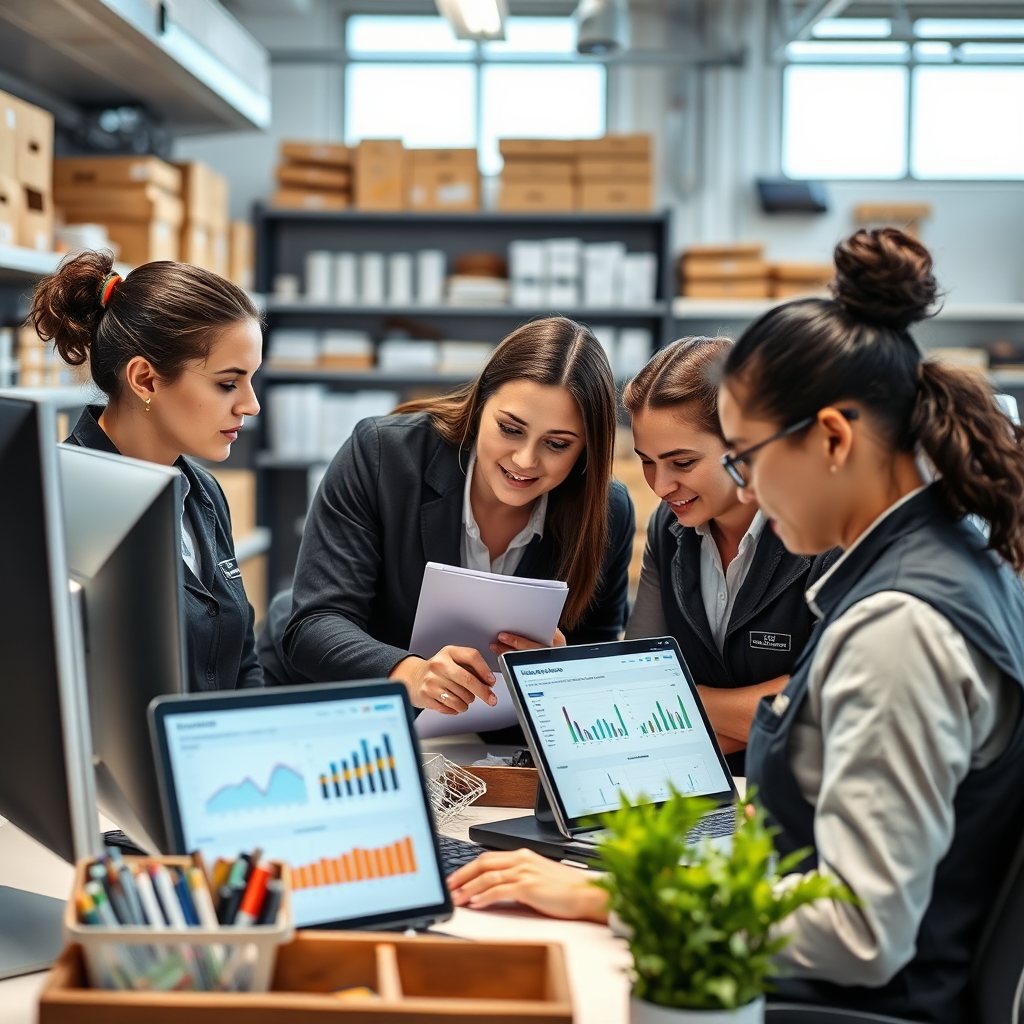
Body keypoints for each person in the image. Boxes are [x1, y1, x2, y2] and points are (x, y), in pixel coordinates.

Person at [447, 229, 1024, 1024]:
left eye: (744, 456)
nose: (741, 485)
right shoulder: (949, 554)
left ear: (832, 438)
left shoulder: (901, 628)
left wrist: (613, 894)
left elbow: (860, 930)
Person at [275, 316, 634, 723]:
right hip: (354, 717)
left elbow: (597, 655)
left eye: (556, 444)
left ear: (587, 448)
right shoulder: (382, 456)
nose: (525, 460)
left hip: (485, 745)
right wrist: (412, 673)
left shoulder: (607, 511)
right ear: (481, 405)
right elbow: (314, 626)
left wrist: (558, 670)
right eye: (510, 429)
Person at [31, 250, 264, 691]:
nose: (250, 404)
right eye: (227, 383)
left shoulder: (205, 494)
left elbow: (243, 663)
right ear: (145, 379)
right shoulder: (56, 504)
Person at [623, 336, 836, 772]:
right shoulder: (669, 528)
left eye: (681, 463)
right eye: (646, 461)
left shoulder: (825, 534)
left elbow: (822, 706)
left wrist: (682, 702)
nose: (661, 487)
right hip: (695, 788)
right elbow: (639, 684)